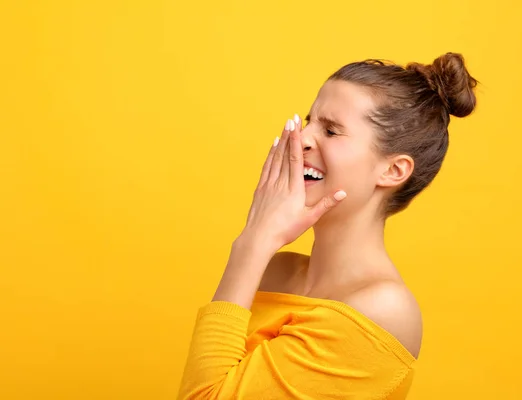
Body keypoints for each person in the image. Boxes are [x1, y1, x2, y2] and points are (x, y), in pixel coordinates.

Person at [177, 52, 478, 400]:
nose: (302, 137)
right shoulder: (275, 271)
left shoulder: (383, 310)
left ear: (393, 171)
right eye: (308, 121)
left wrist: (252, 243)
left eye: (331, 131)